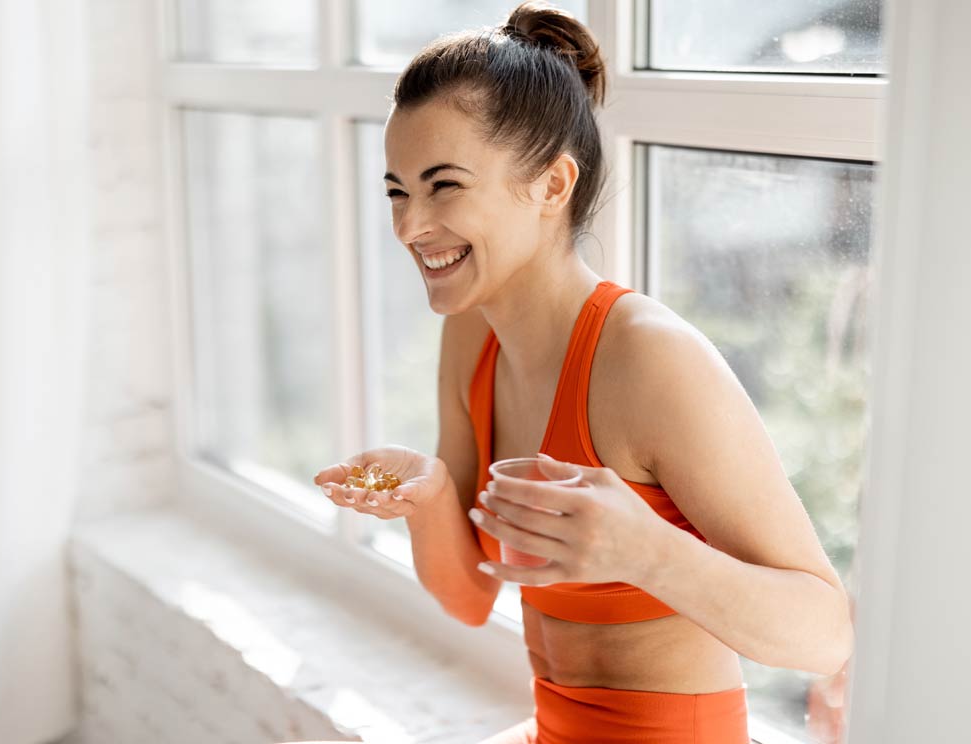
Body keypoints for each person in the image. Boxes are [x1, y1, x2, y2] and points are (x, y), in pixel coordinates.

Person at [307, 3, 854, 742]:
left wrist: (648, 550)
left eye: (444, 186)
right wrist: (433, 497)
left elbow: (825, 634)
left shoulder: (650, 358)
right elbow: (470, 596)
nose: (409, 227)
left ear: (553, 185)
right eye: (398, 191)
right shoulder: (473, 332)